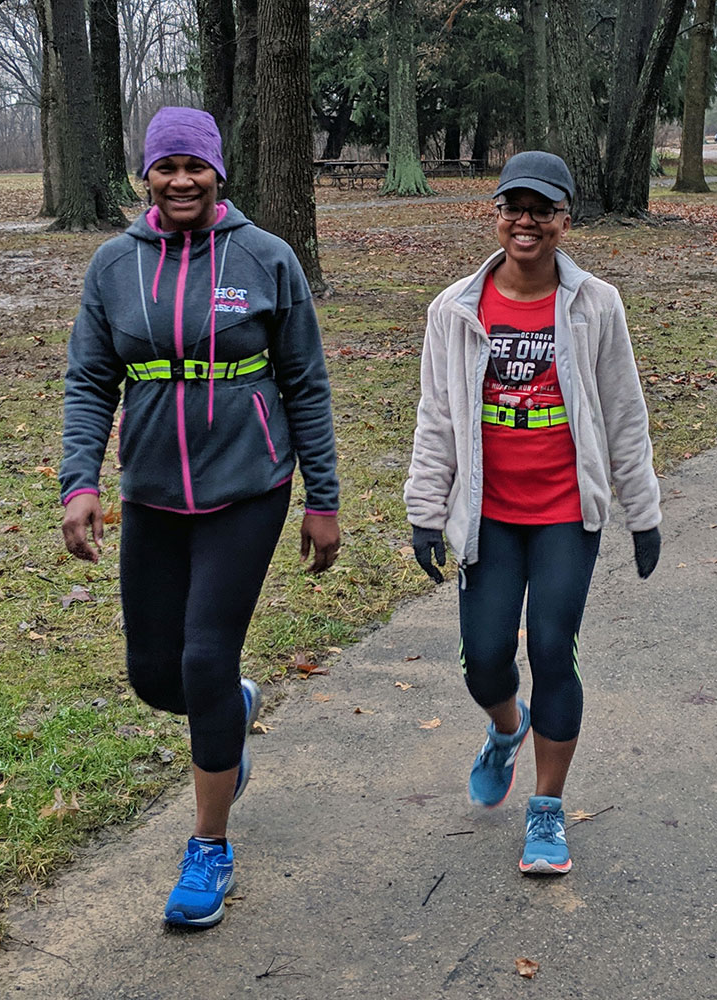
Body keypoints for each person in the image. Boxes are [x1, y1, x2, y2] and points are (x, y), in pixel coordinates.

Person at [60, 106, 340, 925]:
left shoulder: (266, 257)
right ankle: (233, 709)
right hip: (151, 493)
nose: (181, 180)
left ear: (219, 173)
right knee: (157, 675)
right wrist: (81, 482)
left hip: (248, 487)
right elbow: (87, 382)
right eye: (165, 166)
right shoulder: (114, 265)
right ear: (145, 176)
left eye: (195, 166)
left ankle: (209, 847)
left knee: (206, 658)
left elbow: (308, 385)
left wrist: (321, 498)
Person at [404, 151, 661, 875]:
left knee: (553, 649)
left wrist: (642, 513)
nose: (527, 221)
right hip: (486, 515)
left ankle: (546, 810)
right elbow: (437, 419)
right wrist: (426, 512)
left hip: (562, 515)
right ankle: (505, 730)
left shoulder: (595, 305)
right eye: (514, 207)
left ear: (565, 220)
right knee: (485, 663)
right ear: (495, 215)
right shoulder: (453, 309)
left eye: (542, 209)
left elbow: (623, 415)